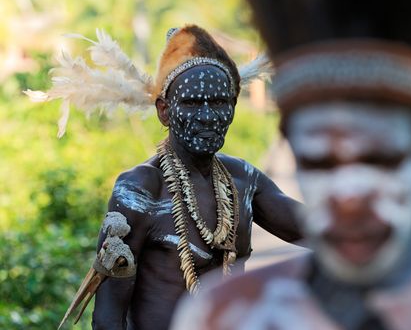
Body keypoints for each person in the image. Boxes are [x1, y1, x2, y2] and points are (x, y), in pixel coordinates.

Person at [171, 0, 411, 329]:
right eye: (320, 163)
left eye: (381, 161)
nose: (350, 199)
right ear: (290, 146)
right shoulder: (225, 316)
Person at [26, 25, 302, 329]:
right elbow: (108, 317)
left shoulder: (245, 181)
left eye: (220, 102)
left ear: (233, 107)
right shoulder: (139, 192)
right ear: (164, 111)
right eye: (193, 103)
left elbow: (322, 229)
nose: (208, 116)